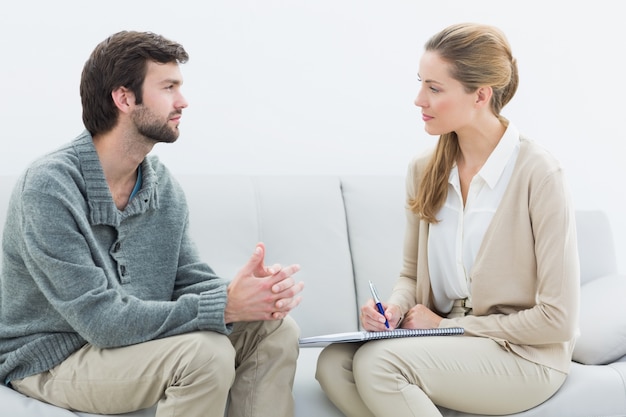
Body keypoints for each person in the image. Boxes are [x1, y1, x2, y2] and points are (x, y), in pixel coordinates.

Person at [0, 30, 304, 417]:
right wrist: (225, 306)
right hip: (52, 359)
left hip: (131, 347)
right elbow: (101, 321)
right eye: (169, 87)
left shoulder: (161, 185)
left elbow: (188, 280)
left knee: (276, 330)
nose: (183, 101)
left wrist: (251, 294)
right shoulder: (48, 188)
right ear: (124, 98)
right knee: (205, 354)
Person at [315, 22, 580, 417]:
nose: (419, 99)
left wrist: (444, 327)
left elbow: (557, 321)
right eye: (421, 83)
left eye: (435, 89)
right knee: (334, 363)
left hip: (523, 355)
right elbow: (410, 275)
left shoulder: (538, 173)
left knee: (380, 364)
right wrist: (393, 309)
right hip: (446, 340)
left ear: (481, 95)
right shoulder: (424, 169)